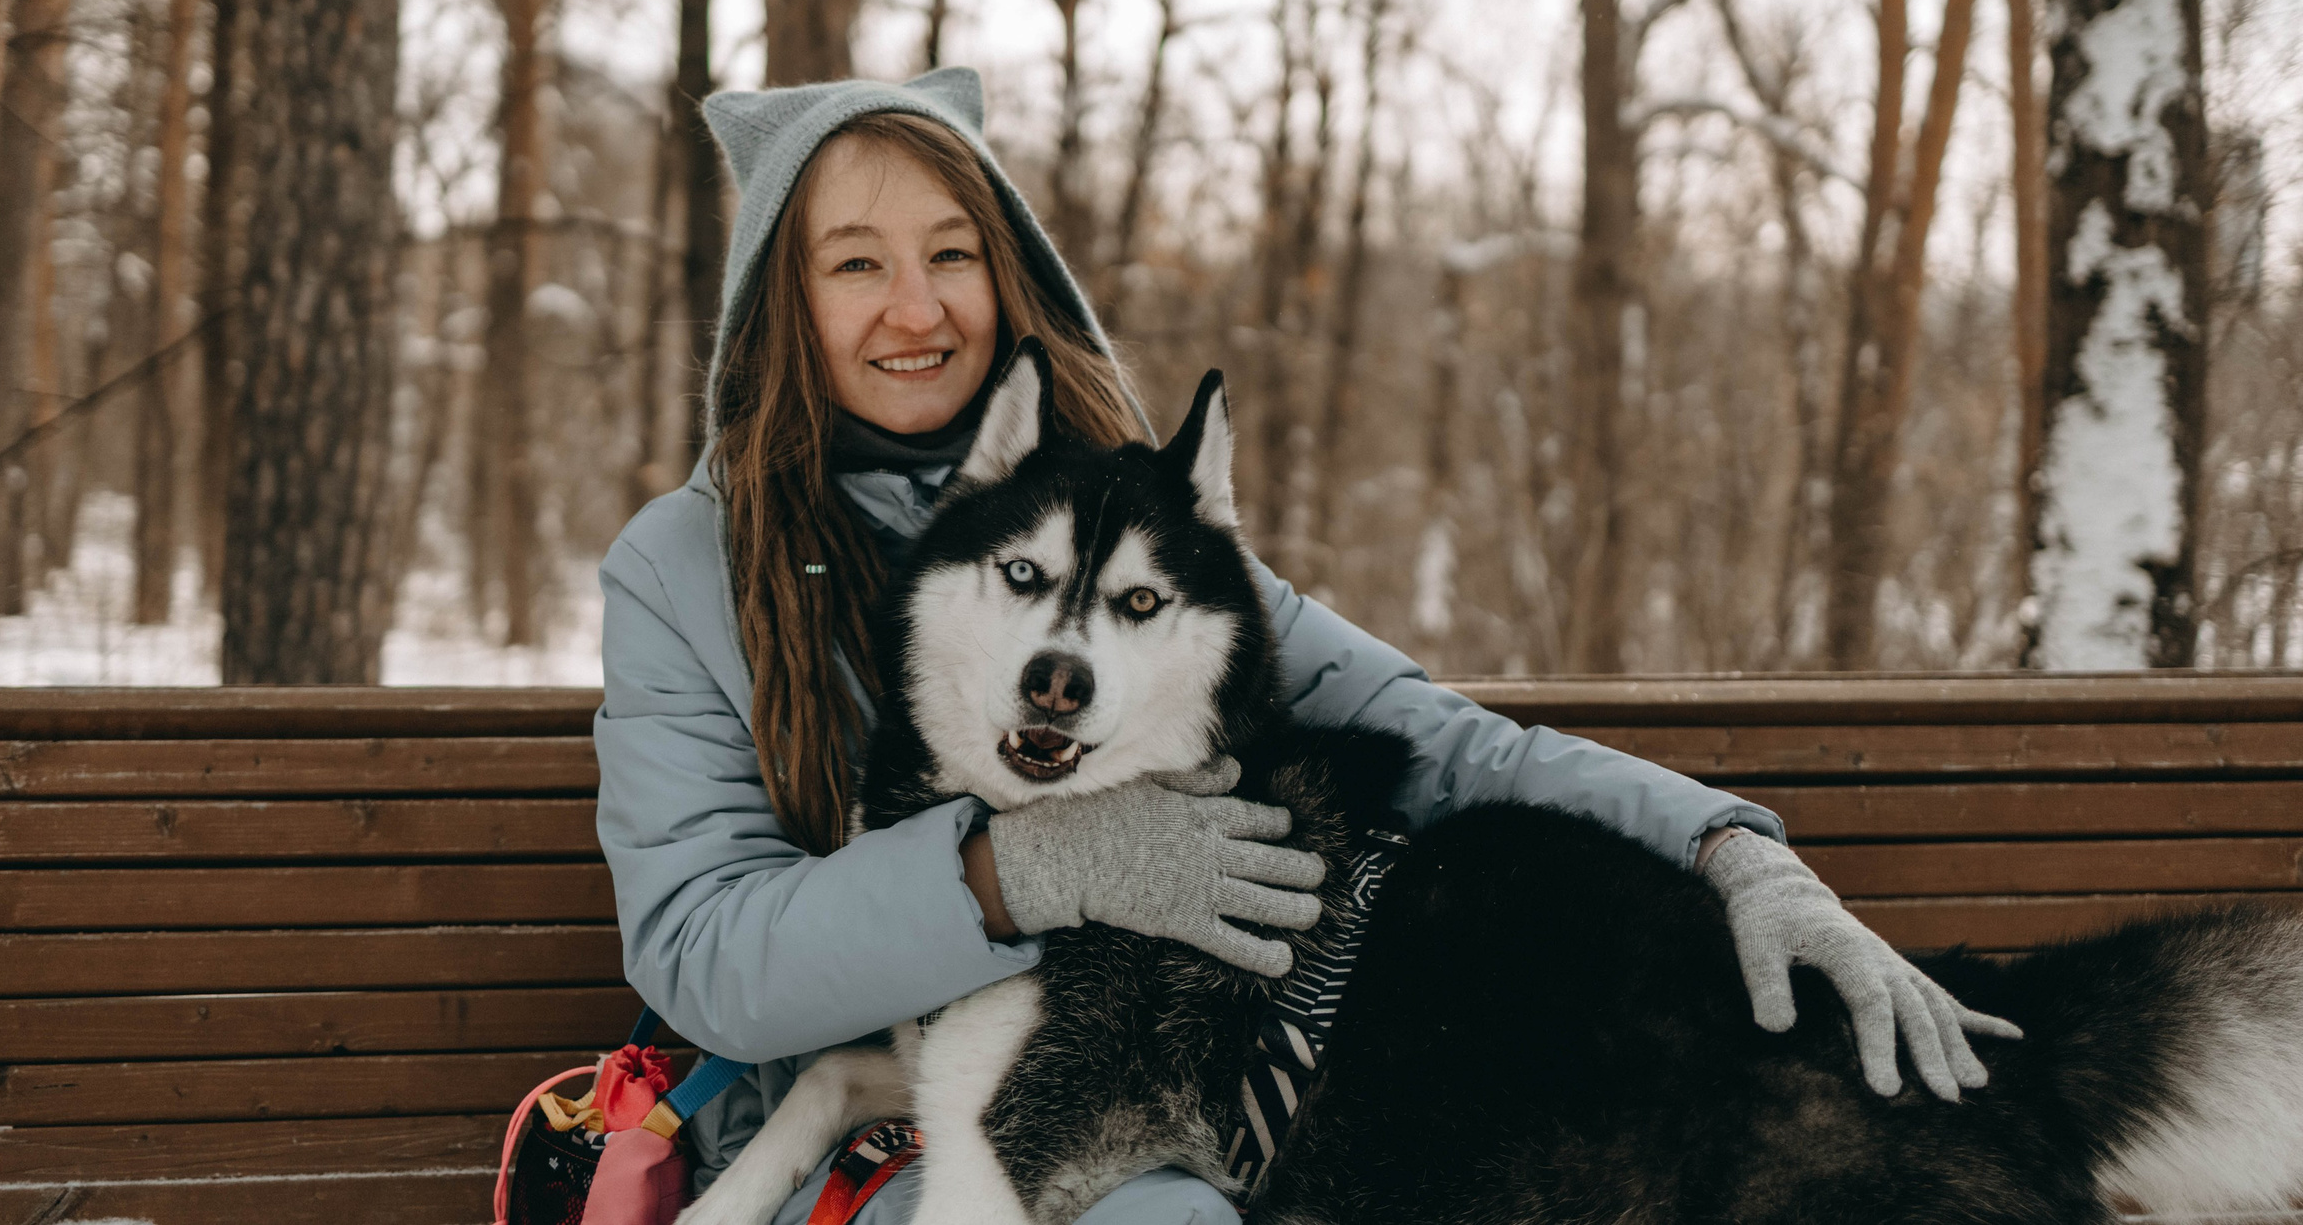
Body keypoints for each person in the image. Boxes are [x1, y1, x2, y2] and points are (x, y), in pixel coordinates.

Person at [593, 69, 2014, 1225]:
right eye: (858, 263)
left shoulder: (1138, 530)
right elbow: (704, 954)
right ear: (786, 301)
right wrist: (1014, 866)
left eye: (952, 253)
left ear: (1008, 272)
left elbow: (1439, 740)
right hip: (866, 1123)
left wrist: (1728, 850)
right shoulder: (688, 568)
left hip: (1163, 1087)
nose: (918, 307)